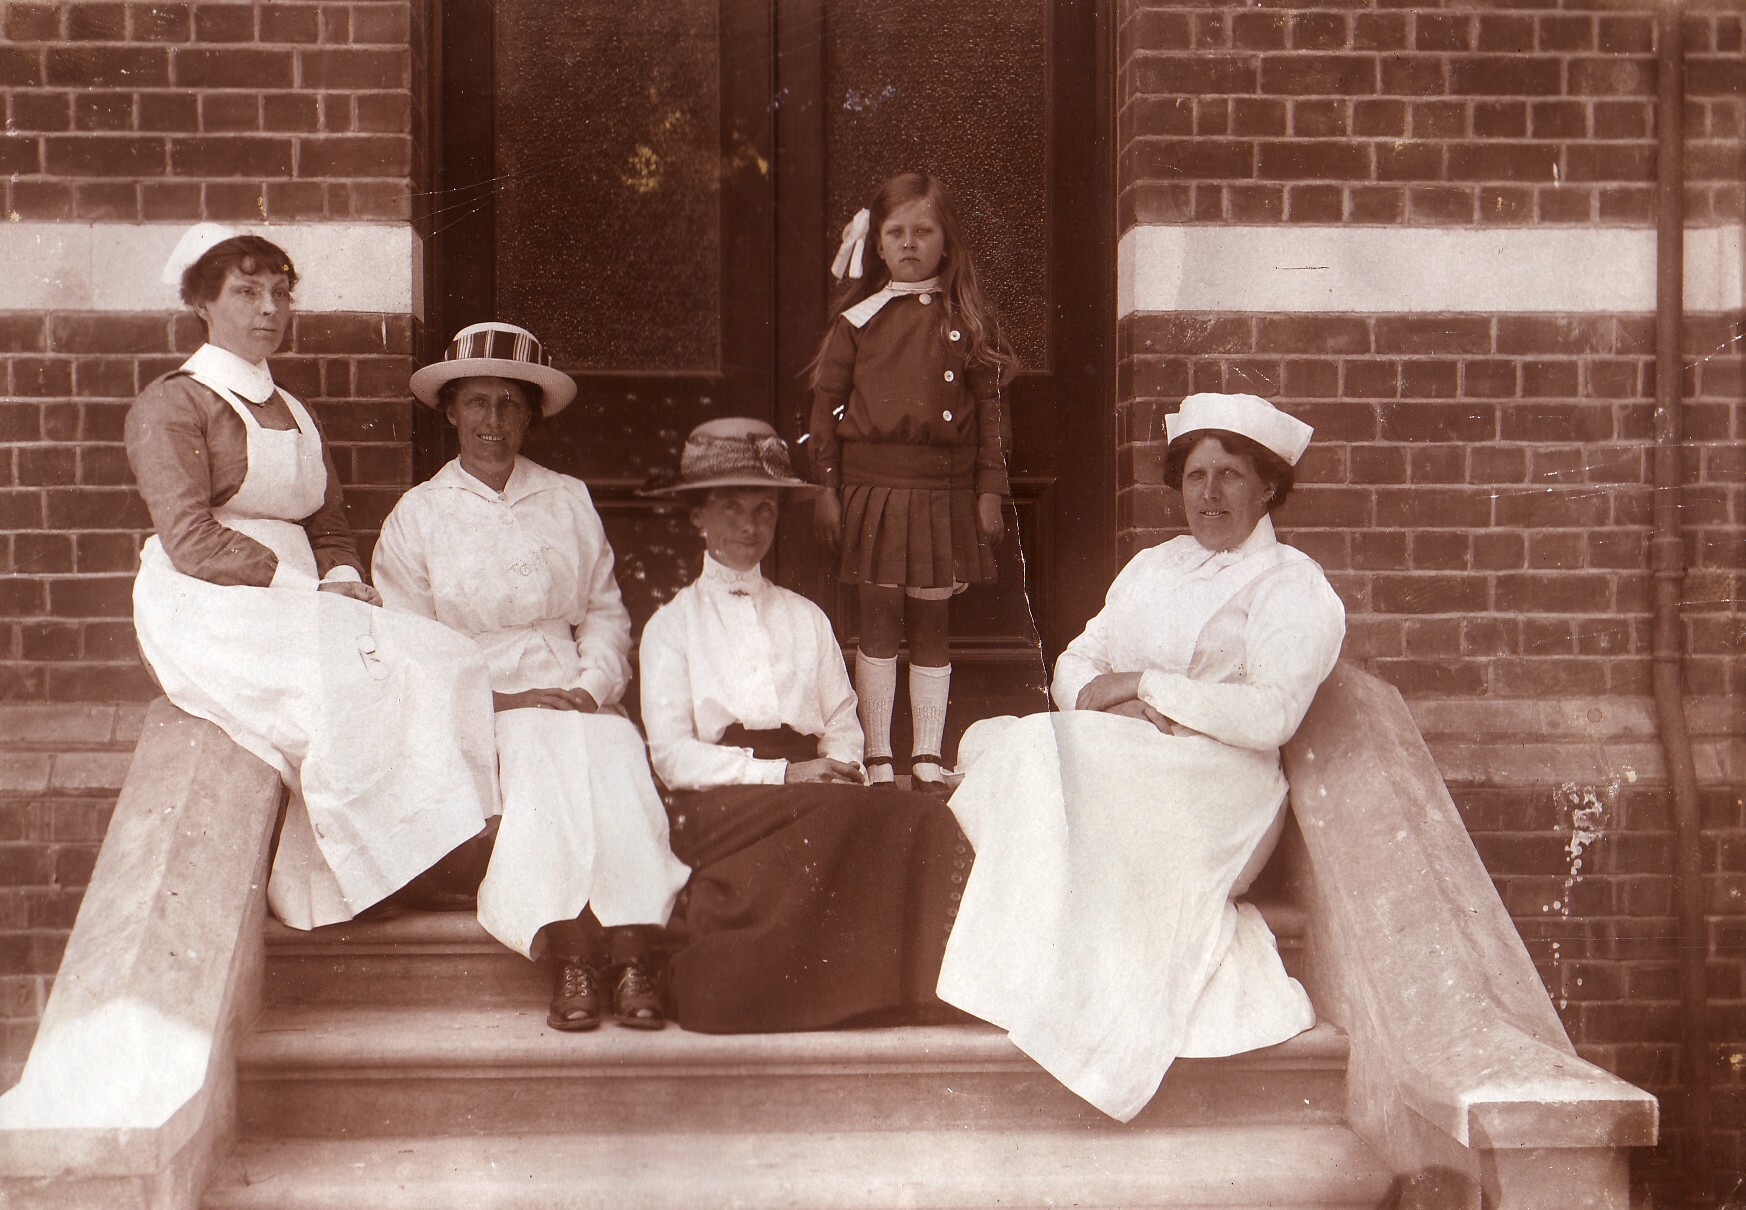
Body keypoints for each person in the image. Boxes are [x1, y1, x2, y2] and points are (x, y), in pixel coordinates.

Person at [935, 392, 1346, 1122]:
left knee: (1030, 754)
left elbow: (1273, 715)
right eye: (1195, 476)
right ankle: (1039, 978)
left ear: (1268, 486)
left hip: (1223, 785)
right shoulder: (1155, 567)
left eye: (1229, 476)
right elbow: (1081, 657)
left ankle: (1037, 990)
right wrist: (1109, 700)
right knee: (994, 742)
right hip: (1135, 754)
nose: (1210, 494)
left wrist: (1152, 688)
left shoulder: (1293, 583)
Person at [126, 223, 501, 930]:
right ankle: (365, 869)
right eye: (245, 292)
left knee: (441, 654)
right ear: (202, 304)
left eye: (280, 293)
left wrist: (342, 577)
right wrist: (313, 591)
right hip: (209, 603)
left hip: (304, 597)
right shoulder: (174, 404)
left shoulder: (297, 411)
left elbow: (328, 526)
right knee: (346, 680)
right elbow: (191, 540)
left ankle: (431, 848)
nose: (268, 309)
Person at [372, 322, 690, 1031]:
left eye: (509, 404)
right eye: (477, 403)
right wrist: (504, 700)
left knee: (613, 750)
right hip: (478, 700)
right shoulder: (418, 516)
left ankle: (636, 950)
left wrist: (590, 686)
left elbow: (605, 613)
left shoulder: (567, 498)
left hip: (568, 685)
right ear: (450, 411)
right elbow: (409, 648)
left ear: (530, 414)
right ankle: (573, 953)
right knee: (538, 759)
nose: (493, 422)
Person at [640, 418, 970, 1033]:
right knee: (841, 821)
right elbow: (673, 759)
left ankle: (909, 991)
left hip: (814, 788)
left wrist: (837, 767)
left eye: (763, 510)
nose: (748, 526)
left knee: (921, 815)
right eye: (731, 508)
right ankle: (757, 985)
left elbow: (843, 722)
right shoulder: (672, 627)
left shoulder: (804, 617)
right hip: (719, 801)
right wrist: (785, 773)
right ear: (696, 517)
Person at [808, 172, 1015, 792]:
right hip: (874, 488)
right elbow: (826, 406)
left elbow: (992, 415)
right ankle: (878, 754)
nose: (909, 243)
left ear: (945, 242)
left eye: (923, 231)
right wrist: (826, 487)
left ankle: (926, 753)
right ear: (877, 245)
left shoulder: (966, 322)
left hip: (943, 491)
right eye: (895, 232)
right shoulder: (858, 321)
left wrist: (988, 491)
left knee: (931, 622)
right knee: (877, 618)